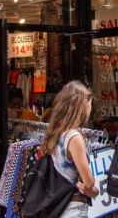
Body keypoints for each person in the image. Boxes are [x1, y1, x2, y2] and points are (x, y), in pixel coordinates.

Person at [40, 81, 99, 218]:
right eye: (89, 102)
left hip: (57, 205)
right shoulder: (74, 137)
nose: (90, 107)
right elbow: (89, 183)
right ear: (81, 105)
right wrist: (94, 191)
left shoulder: (55, 132)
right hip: (73, 207)